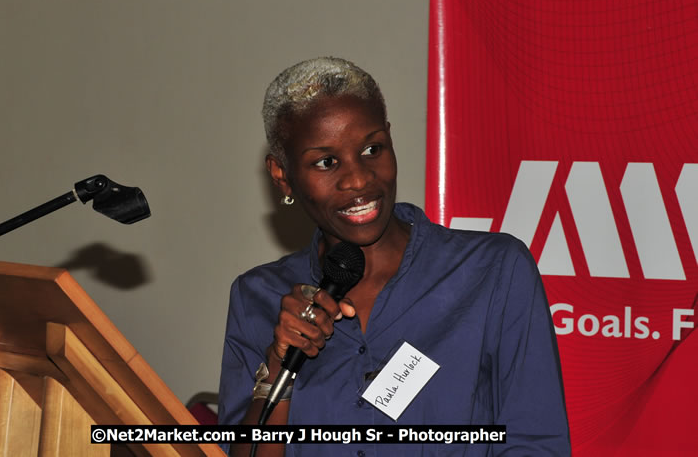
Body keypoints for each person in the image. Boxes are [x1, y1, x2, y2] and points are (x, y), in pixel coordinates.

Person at [218, 57, 570, 456]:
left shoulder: (492, 271)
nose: (358, 179)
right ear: (282, 175)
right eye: (326, 162)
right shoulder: (257, 297)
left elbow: (537, 444)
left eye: (371, 149)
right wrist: (278, 369)